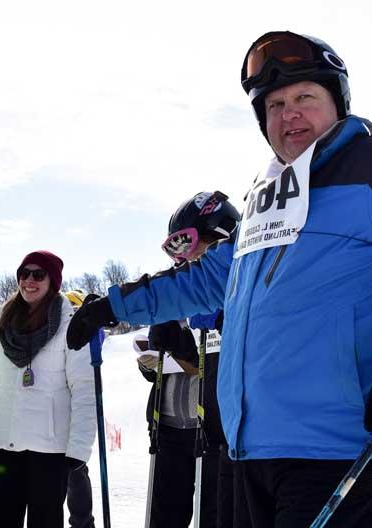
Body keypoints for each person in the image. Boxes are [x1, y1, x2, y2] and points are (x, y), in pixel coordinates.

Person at [67, 30, 372, 527]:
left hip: (353, 454)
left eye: (304, 98)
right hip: (255, 452)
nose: (288, 114)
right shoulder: (270, 198)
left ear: (337, 103)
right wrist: (114, 306)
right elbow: (207, 280)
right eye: (273, 105)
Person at [0, 251, 96, 528]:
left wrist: (79, 447)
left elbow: (84, 390)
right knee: (0, 521)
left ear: (53, 282)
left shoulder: (71, 328)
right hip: (2, 444)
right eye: (24, 274)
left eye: (38, 275)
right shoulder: (1, 329)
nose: (29, 281)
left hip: (49, 450)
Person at [137, 191, 241, 528]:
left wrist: (192, 353)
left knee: (215, 512)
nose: (184, 258)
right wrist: (153, 361)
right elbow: (158, 359)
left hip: (214, 431)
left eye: (190, 244)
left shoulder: (240, 287)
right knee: (165, 513)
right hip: (170, 423)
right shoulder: (174, 290)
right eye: (175, 249)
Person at [64, 289, 96, 528]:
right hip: (52, 411)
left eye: (75, 311)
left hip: (77, 409)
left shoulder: (89, 334)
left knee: (76, 471)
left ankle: (83, 523)